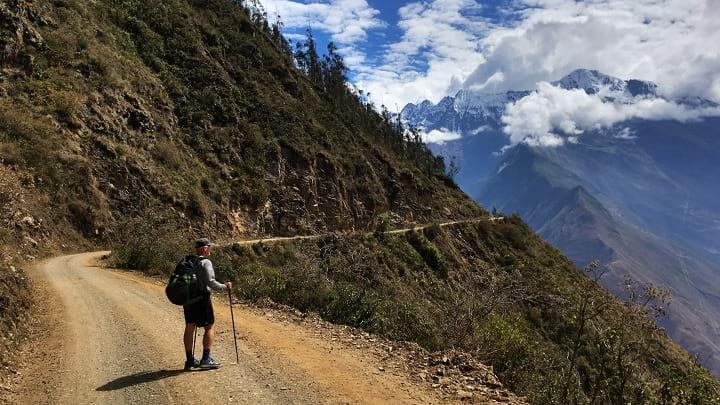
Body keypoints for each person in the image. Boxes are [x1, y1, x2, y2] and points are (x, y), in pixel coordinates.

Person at [183, 238, 232, 370]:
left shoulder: (187, 260)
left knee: (190, 326)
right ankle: (206, 359)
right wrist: (225, 287)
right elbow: (211, 282)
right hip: (202, 299)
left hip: (188, 299)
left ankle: (190, 360)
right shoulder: (206, 262)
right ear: (205, 248)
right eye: (210, 247)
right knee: (209, 326)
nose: (211, 249)